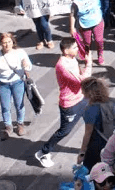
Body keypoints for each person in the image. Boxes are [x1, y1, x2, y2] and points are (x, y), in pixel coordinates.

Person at [35, 37, 92, 168]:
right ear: (66, 51)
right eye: (75, 48)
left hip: (82, 98)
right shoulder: (62, 66)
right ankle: (43, 152)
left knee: (92, 120)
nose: (78, 49)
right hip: (70, 104)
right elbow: (82, 80)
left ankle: (91, 146)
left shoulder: (72, 59)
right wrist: (89, 63)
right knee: (64, 131)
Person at [0, 32, 32, 140]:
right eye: (4, 43)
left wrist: (25, 65)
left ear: (13, 42)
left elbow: (28, 66)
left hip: (17, 82)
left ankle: (20, 124)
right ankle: (8, 126)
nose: (7, 45)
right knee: (5, 106)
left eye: (9, 42)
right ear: (0, 44)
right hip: (3, 84)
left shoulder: (20, 52)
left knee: (19, 104)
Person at [78, 77, 115, 172]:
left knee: (92, 169)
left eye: (83, 91)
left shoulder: (91, 109)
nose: (82, 93)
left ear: (89, 93)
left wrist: (82, 152)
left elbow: (88, 133)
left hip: (99, 143)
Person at [71, 0, 105, 65]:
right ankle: (87, 56)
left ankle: (100, 55)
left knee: (99, 40)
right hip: (84, 24)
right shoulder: (76, 2)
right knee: (87, 43)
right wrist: (72, 28)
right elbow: (72, 15)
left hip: (97, 21)